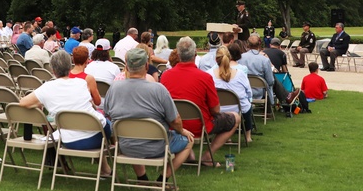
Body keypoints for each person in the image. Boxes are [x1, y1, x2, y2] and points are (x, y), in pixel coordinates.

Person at [105, 47, 194, 181]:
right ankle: (162, 180)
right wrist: (182, 131)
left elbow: (108, 113)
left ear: (127, 67)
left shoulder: (114, 88)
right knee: (189, 140)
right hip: (157, 147)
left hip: (125, 145)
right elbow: (175, 120)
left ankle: (142, 178)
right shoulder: (158, 89)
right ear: (147, 65)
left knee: (131, 130)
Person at [17, 51, 111, 176]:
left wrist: (41, 102)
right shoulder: (81, 83)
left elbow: (23, 102)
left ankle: (106, 169)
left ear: (52, 70)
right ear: (70, 66)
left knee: (93, 124)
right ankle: (111, 163)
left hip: (69, 140)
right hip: (96, 136)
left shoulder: (47, 88)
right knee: (102, 123)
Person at [160, 36, 239, 167]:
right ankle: (207, 156)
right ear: (195, 54)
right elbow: (216, 110)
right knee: (235, 118)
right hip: (198, 126)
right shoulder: (205, 77)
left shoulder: (166, 76)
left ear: (178, 55)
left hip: (173, 124)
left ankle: (189, 152)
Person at [208, 46, 254, 144]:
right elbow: (249, 92)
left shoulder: (208, 75)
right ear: (230, 58)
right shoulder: (240, 74)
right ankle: (248, 135)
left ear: (216, 59)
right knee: (247, 105)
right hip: (237, 109)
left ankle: (225, 137)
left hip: (216, 109)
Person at [238, 34, 275, 106]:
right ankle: (270, 108)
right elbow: (270, 81)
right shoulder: (264, 60)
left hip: (244, 90)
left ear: (247, 44)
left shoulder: (240, 58)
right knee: (272, 81)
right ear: (259, 44)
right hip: (259, 91)